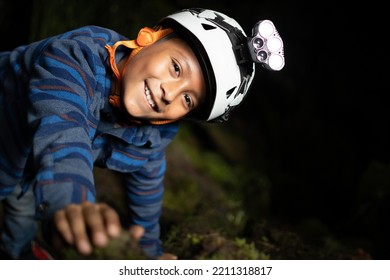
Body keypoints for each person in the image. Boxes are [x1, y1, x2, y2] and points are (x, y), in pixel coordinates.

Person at [0, 8, 284, 259]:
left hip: (30, 173)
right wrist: (75, 201)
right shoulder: (74, 57)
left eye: (188, 100)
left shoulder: (153, 135)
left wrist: (150, 253)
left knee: (20, 221)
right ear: (151, 37)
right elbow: (63, 126)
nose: (169, 93)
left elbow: (146, 189)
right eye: (176, 68)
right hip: (13, 147)